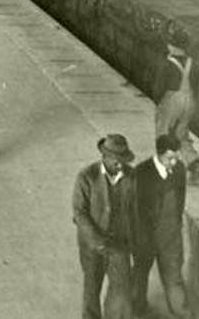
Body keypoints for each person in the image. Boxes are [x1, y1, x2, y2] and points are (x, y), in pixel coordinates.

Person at [72, 134, 138, 319]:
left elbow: (136, 211)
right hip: (92, 246)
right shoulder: (86, 177)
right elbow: (79, 213)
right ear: (105, 157)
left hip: (119, 244)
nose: (120, 165)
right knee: (92, 289)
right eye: (117, 160)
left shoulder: (131, 176)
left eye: (123, 160)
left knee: (122, 290)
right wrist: (96, 240)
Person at [132, 134, 194, 319]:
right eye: (170, 158)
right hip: (145, 237)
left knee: (174, 279)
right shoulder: (140, 173)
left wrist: (175, 226)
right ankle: (137, 309)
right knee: (139, 275)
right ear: (158, 154)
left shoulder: (180, 169)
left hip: (170, 237)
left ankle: (183, 314)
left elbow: (179, 201)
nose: (174, 162)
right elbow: (133, 209)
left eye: (176, 157)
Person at [156, 29, 199, 181]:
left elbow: (158, 87)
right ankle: (193, 161)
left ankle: (167, 167)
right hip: (190, 99)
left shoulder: (168, 63)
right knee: (181, 133)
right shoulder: (193, 63)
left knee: (164, 133)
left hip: (171, 100)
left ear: (173, 46)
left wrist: (159, 103)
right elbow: (197, 84)